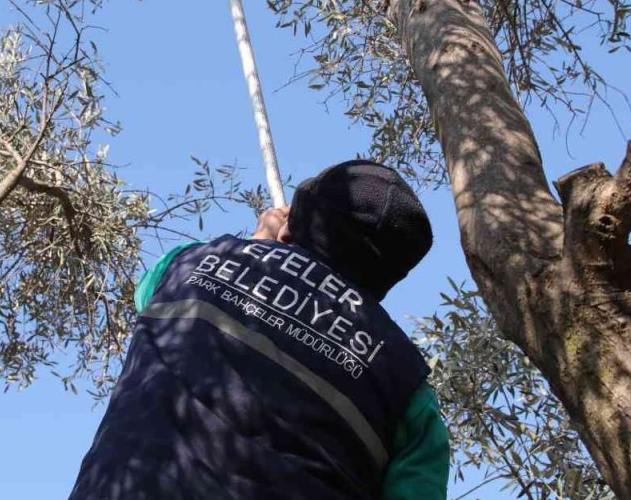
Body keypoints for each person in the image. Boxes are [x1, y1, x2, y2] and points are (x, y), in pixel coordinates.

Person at [68, 160, 449, 500]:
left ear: (290, 227)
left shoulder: (187, 264)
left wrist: (256, 245)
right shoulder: (407, 386)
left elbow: (144, 292)